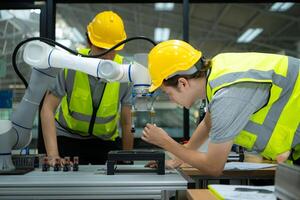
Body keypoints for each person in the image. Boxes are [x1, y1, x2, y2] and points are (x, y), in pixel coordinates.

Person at [142, 39, 300, 175]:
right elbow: (207, 124)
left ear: (182, 83)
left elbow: (213, 167)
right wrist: (177, 159)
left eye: (168, 93)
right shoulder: (218, 73)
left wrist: (167, 142)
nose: (172, 100)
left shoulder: (228, 94)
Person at [41, 11, 133, 166]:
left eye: (112, 49)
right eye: (100, 48)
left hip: (105, 141)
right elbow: (47, 109)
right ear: (89, 42)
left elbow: (126, 121)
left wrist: (128, 158)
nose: (106, 55)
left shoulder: (125, 72)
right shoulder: (71, 64)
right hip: (68, 138)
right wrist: (53, 155)